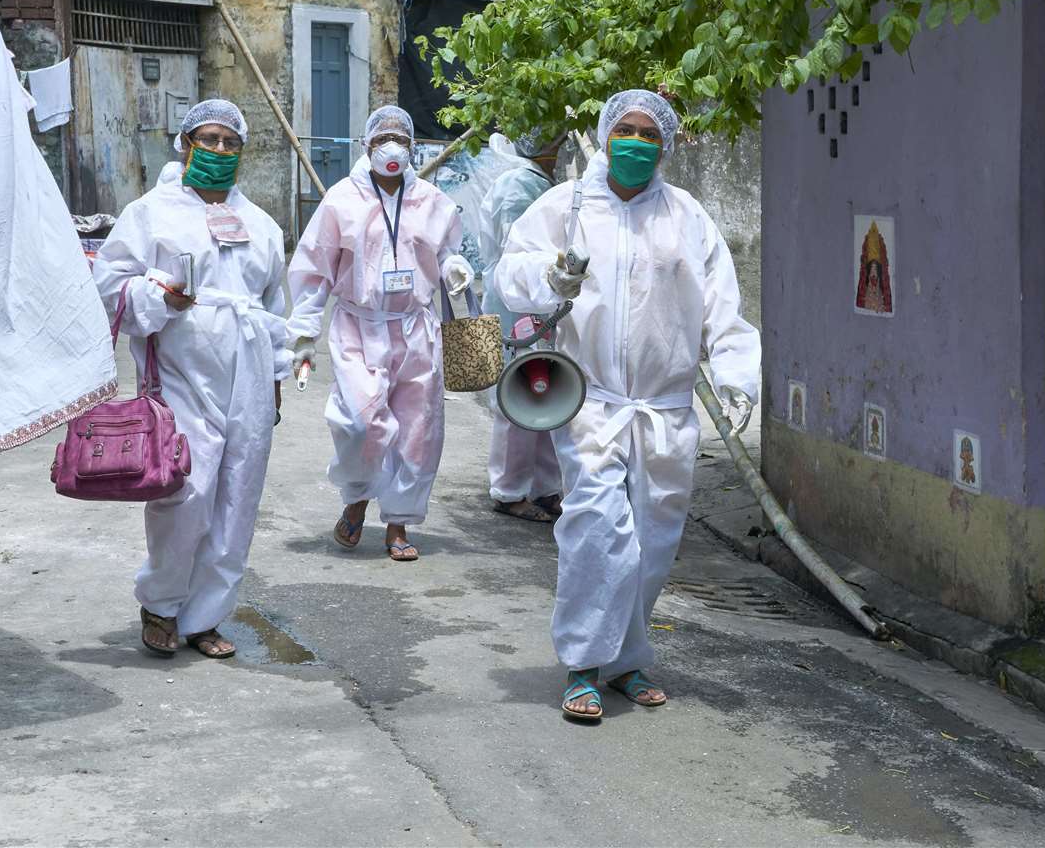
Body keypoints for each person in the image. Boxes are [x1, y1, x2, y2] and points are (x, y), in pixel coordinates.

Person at [495, 89, 760, 721]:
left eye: (649, 133)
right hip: (592, 399)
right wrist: (549, 276)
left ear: (664, 144)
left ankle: (627, 659)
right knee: (597, 528)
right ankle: (583, 663)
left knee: (653, 538)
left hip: (666, 408)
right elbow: (511, 272)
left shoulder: (687, 216)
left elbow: (723, 301)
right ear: (607, 134)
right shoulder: (569, 206)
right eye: (626, 130)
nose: (637, 142)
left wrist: (734, 373)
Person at [92, 99, 291, 660]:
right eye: (209, 139)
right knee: (187, 491)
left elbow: (275, 306)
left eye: (231, 143)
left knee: (238, 495)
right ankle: (161, 603)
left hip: (247, 373)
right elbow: (110, 289)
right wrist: (162, 298)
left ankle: (205, 616)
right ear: (185, 144)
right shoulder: (149, 214)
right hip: (181, 369)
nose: (220, 151)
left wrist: (275, 378)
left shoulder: (262, 225)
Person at [288, 106, 473, 562]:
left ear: (412, 146)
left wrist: (454, 267)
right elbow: (315, 268)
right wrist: (304, 333)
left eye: (400, 138)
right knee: (359, 422)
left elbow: (448, 249)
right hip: (358, 324)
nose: (392, 147)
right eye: (382, 138)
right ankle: (357, 497)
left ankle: (398, 523)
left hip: (415, 327)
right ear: (366, 144)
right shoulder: (341, 200)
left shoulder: (432, 200)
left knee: (417, 429)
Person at [477, 129, 564, 523]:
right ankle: (509, 490)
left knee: (547, 396)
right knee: (518, 398)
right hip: (518, 305)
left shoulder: (534, 182)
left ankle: (545, 488)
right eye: (556, 143)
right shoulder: (519, 185)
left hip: (538, 304)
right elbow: (520, 249)